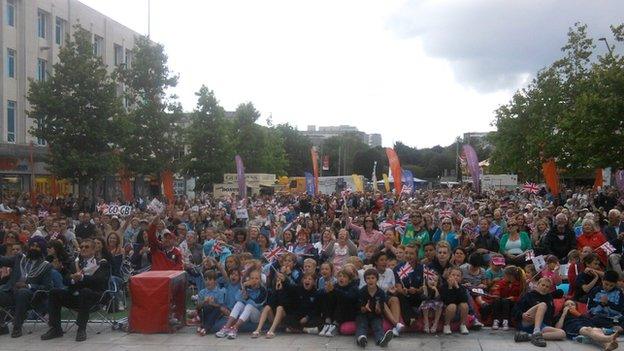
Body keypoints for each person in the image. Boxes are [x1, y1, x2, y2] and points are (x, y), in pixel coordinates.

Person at [41, 238, 111, 342]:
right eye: (81, 247)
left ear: (93, 250)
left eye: (86, 247)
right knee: (54, 292)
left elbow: (100, 281)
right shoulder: (75, 264)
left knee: (85, 292)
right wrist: (71, 278)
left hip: (94, 296)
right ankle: (55, 329)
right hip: (75, 296)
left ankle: (81, 329)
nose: (83, 249)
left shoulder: (101, 263)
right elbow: (65, 281)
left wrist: (82, 278)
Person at [0, 236, 52, 338]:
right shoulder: (19, 258)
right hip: (11, 293)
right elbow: (3, 260)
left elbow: (47, 286)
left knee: (23, 292)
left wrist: (28, 285)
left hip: (31, 297)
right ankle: (2, 325)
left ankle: (17, 327)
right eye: (32, 245)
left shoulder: (46, 266)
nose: (33, 248)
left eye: (37, 246)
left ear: (42, 249)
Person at [513, 278, 566, 348]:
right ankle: (536, 331)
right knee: (543, 305)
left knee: (562, 333)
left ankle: (530, 336)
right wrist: (522, 315)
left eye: (547, 287)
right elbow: (515, 309)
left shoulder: (549, 298)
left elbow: (551, 314)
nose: (544, 288)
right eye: (543, 285)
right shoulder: (528, 295)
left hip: (541, 325)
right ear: (538, 285)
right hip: (527, 321)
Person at [216, 269, 267, 339]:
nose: (254, 280)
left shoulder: (262, 290)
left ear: (260, 280)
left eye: (256, 278)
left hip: (256, 315)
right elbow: (238, 298)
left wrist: (247, 298)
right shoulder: (246, 286)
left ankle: (235, 328)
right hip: (245, 315)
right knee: (239, 303)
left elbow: (257, 303)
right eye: (252, 278)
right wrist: (243, 288)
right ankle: (226, 327)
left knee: (249, 306)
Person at [555, 299, 619, 351]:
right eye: (567, 305)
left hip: (587, 327)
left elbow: (590, 322)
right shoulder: (560, 316)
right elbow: (558, 328)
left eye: (572, 304)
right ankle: (608, 338)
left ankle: (607, 345)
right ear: (563, 308)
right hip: (574, 328)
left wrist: (578, 314)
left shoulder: (580, 315)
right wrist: (563, 314)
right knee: (588, 330)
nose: (570, 306)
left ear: (576, 307)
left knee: (596, 329)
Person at [355, 268, 393, 348]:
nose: (370, 280)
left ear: (377, 279)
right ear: (365, 280)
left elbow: (381, 309)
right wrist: (364, 308)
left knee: (378, 325)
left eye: (373, 278)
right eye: (368, 278)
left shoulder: (381, 293)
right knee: (362, 324)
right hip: (363, 315)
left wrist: (378, 309)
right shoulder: (362, 291)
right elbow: (359, 307)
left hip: (375, 315)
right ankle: (361, 338)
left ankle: (381, 340)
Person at [489, 265, 525, 331]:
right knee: (496, 300)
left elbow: (522, 297)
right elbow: (497, 289)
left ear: (510, 276)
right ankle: (496, 320)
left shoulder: (520, 284)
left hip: (512, 303)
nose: (503, 277)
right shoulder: (502, 282)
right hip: (501, 300)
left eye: (505, 275)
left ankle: (506, 321)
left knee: (505, 301)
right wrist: (496, 294)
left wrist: (514, 298)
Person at [440, 267, 469, 335]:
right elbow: (447, 301)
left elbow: (464, 299)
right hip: (446, 310)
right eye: (453, 275)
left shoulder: (462, 287)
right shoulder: (444, 286)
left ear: (461, 278)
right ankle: (447, 325)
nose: (455, 277)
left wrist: (457, 287)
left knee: (464, 305)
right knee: (452, 306)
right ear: (449, 276)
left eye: (458, 276)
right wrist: (450, 287)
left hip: (458, 312)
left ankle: (463, 325)